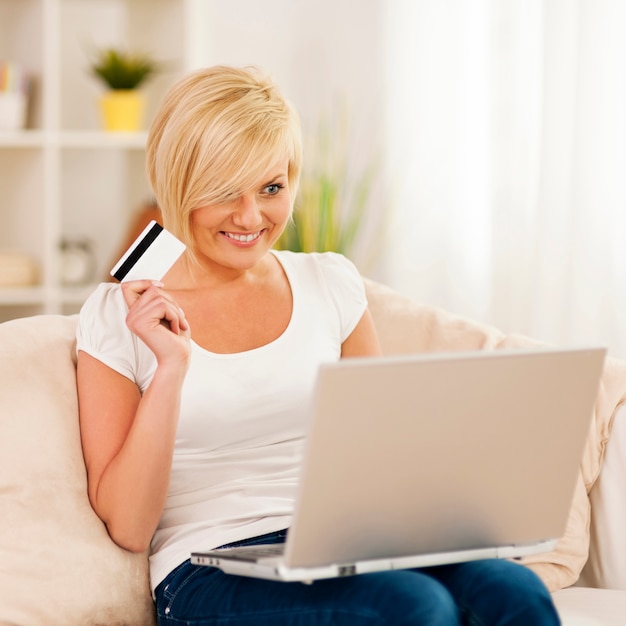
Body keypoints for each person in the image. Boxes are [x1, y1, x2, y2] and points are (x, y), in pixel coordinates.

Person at [76, 65, 561, 626]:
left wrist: (462, 517)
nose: (251, 217)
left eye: (271, 188)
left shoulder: (329, 283)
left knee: (511, 588)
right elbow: (129, 527)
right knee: (413, 607)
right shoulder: (121, 315)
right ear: (180, 184)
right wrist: (171, 368)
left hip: (346, 547)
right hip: (207, 569)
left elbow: (380, 455)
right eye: (223, 193)